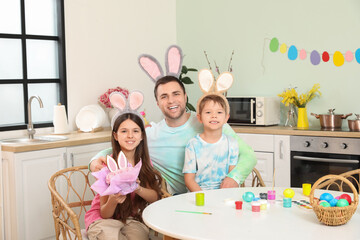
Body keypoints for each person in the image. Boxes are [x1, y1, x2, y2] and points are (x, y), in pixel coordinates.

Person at [90, 45, 257, 195]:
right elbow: (119, 146)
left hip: (221, 195)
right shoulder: (151, 135)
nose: (171, 101)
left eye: (176, 94)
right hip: (182, 202)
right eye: (164, 96)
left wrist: (233, 178)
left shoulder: (209, 122)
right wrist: (94, 161)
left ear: (185, 96)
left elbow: (248, 155)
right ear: (157, 103)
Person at [85, 91, 162, 240]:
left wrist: (137, 188)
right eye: (124, 131)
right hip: (103, 220)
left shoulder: (145, 163)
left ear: (142, 136)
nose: (130, 136)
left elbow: (155, 197)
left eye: (135, 131)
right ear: (115, 135)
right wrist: (113, 200)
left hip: (132, 220)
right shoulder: (107, 165)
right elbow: (104, 213)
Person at [183, 94, 239, 191]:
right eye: (208, 112)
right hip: (199, 196)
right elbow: (189, 180)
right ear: (199, 118)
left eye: (219, 112)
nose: (214, 116)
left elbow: (232, 176)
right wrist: (203, 198)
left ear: (226, 118)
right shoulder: (193, 144)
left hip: (224, 194)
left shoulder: (232, 143)